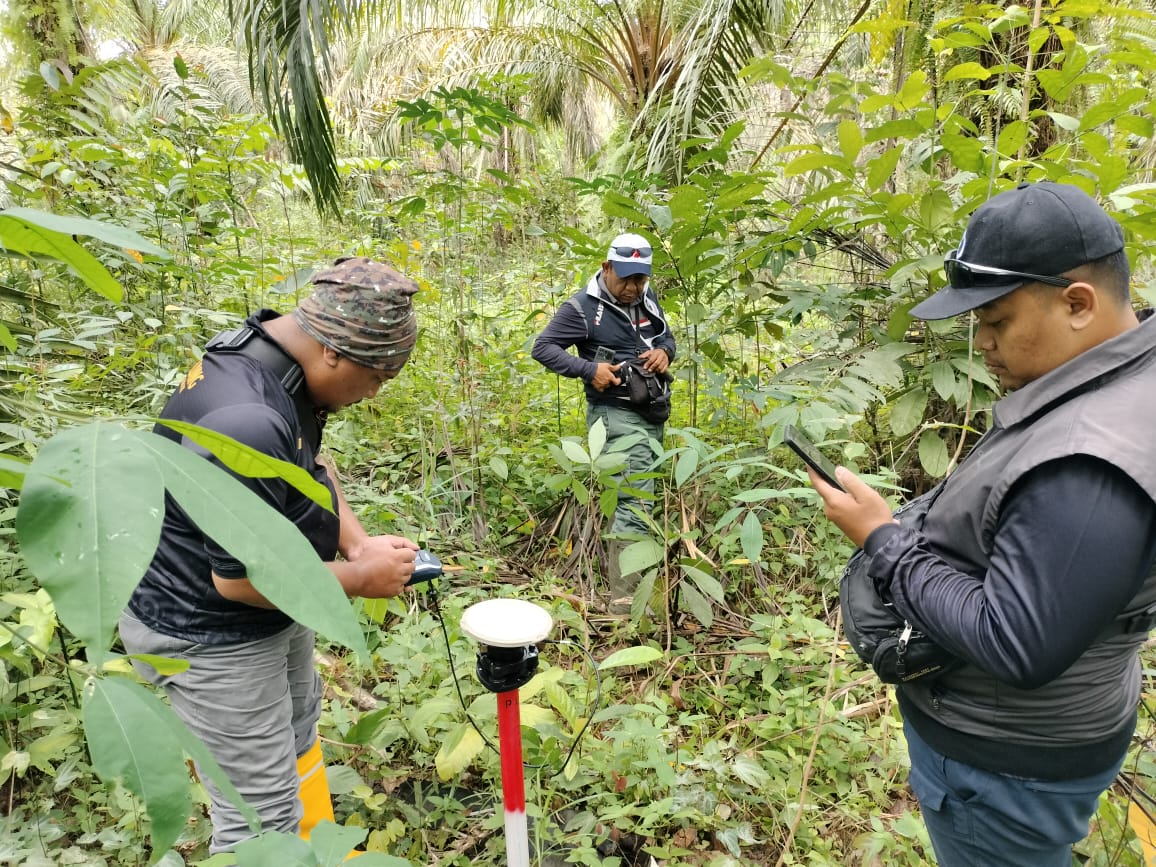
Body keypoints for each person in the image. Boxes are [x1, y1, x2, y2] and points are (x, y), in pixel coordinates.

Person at [807, 181, 1156, 866]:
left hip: (1002, 766)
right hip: (1046, 736)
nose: (983, 344)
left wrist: (884, 540)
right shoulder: (1120, 378)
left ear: (1077, 302)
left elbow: (1016, 641)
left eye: (996, 321)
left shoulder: (1090, 462)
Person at [118, 256, 423, 853]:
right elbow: (238, 581)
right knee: (259, 817)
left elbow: (308, 466)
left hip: (278, 604)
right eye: (378, 377)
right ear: (334, 351)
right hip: (211, 631)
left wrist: (355, 542)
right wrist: (360, 576)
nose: (373, 394)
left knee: (298, 728)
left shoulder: (274, 358)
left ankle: (317, 850)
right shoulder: (248, 418)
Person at [532, 232, 676, 614]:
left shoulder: (648, 298)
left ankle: (635, 587)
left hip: (652, 412)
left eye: (640, 279)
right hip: (615, 415)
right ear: (606, 267)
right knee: (634, 502)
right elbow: (543, 348)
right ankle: (627, 605)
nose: (632, 288)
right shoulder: (582, 308)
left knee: (639, 497)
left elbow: (667, 337)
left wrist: (664, 352)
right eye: (626, 278)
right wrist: (588, 369)